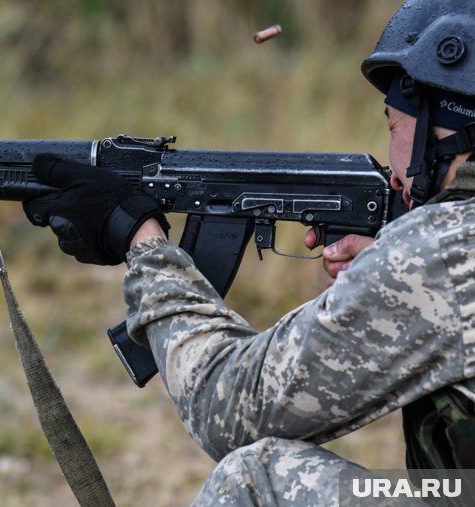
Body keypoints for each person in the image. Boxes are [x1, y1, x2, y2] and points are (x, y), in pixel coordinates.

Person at [24, 1, 475, 504]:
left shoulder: (441, 251)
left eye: (394, 125)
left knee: (256, 477)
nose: (394, 172)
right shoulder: (440, 254)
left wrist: (141, 241)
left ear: (444, 124)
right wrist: (394, 271)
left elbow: (230, 406)